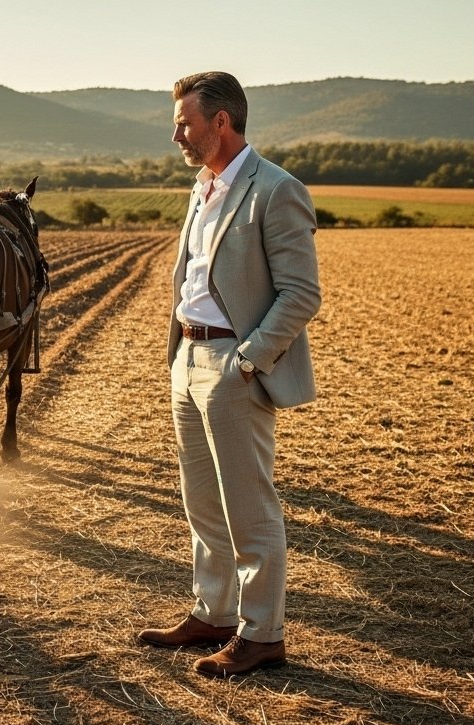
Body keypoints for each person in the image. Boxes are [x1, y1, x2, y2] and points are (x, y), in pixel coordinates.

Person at [137, 72, 322, 678]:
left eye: (184, 123)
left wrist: (247, 360)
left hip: (232, 364)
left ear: (221, 121)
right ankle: (213, 613)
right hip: (188, 359)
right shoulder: (203, 187)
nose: (176, 136)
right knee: (202, 503)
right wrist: (179, 356)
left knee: (249, 506)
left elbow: (301, 293)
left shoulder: (277, 190)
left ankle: (262, 634)